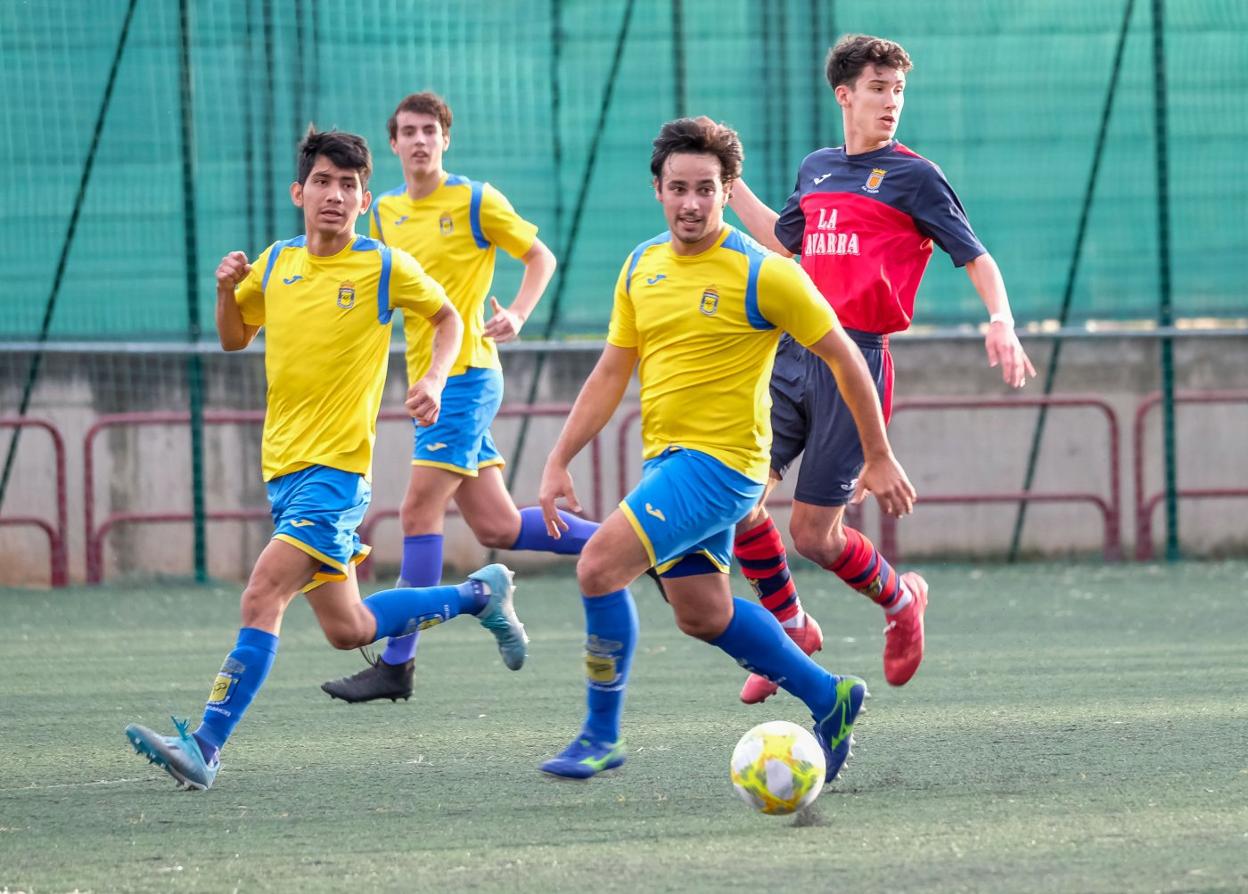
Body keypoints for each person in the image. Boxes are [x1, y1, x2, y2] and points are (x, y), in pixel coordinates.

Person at [123, 128, 528, 791]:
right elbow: (233, 339)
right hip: (282, 473)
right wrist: (227, 291)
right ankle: (479, 594)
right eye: (323, 182)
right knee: (352, 628)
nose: (335, 195)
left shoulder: (382, 266)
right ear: (299, 192)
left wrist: (432, 377)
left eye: (348, 185)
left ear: (365, 199)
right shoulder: (277, 263)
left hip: (336, 477)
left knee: (262, 594)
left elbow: (449, 317)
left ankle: (206, 745)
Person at [535, 116, 916, 782]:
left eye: (706, 189)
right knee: (702, 614)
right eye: (678, 188)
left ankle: (600, 736)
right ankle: (830, 697)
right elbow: (609, 372)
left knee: (598, 567)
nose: (691, 203)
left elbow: (847, 357)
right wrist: (558, 457)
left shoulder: (764, 273)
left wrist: (878, 453)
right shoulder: (641, 265)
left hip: (724, 465)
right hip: (670, 460)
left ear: (727, 188)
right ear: (658, 189)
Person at [727, 34, 1038, 703]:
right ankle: (791, 627)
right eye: (877, 88)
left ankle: (901, 601)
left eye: (897, 89)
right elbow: (786, 246)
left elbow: (975, 257)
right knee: (737, 507)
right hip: (787, 355)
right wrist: (731, 188)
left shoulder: (915, 177)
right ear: (845, 95)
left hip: (856, 360)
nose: (890, 101)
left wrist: (1001, 320)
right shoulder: (816, 168)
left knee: (814, 536)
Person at [320, 92, 598, 704]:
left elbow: (539, 256)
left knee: (418, 513)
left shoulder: (475, 200)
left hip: (467, 375)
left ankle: (397, 664)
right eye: (408, 132)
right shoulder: (384, 213)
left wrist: (520, 313)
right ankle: (625, 543)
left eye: (430, 131)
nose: (420, 140)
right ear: (392, 145)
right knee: (495, 522)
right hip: (430, 380)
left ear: (446, 140)